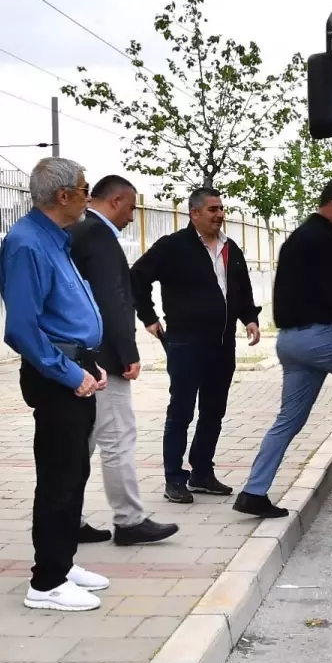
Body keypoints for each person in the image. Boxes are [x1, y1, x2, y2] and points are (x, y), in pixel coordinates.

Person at [0, 157, 111, 612]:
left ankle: (61, 563)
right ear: (63, 195)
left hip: (76, 368)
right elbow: (22, 329)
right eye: (85, 190)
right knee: (59, 477)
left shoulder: (54, 240)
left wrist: (91, 363)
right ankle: (45, 583)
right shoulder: (26, 245)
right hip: (57, 376)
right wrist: (70, 373)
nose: (88, 197)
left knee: (74, 472)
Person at [234, 178, 332, 518]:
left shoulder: (300, 238)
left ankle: (253, 492)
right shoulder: (321, 238)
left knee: (288, 421)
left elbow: (307, 290)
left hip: (290, 341)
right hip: (315, 339)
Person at [131, 187, 262, 504]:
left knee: (214, 411)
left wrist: (250, 319)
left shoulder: (230, 248)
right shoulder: (173, 247)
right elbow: (136, 277)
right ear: (195, 214)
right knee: (181, 411)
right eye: (213, 209)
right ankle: (174, 479)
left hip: (222, 344)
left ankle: (201, 472)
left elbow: (241, 288)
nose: (219, 214)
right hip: (186, 343)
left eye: (221, 208)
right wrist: (148, 317)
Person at [68, 174, 179, 546]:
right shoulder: (99, 238)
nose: (133, 217)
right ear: (115, 201)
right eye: (131, 207)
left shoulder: (77, 231)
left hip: (77, 356)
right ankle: (129, 521)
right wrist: (128, 354)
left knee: (81, 441)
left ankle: (68, 518)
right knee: (117, 437)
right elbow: (112, 300)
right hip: (103, 359)